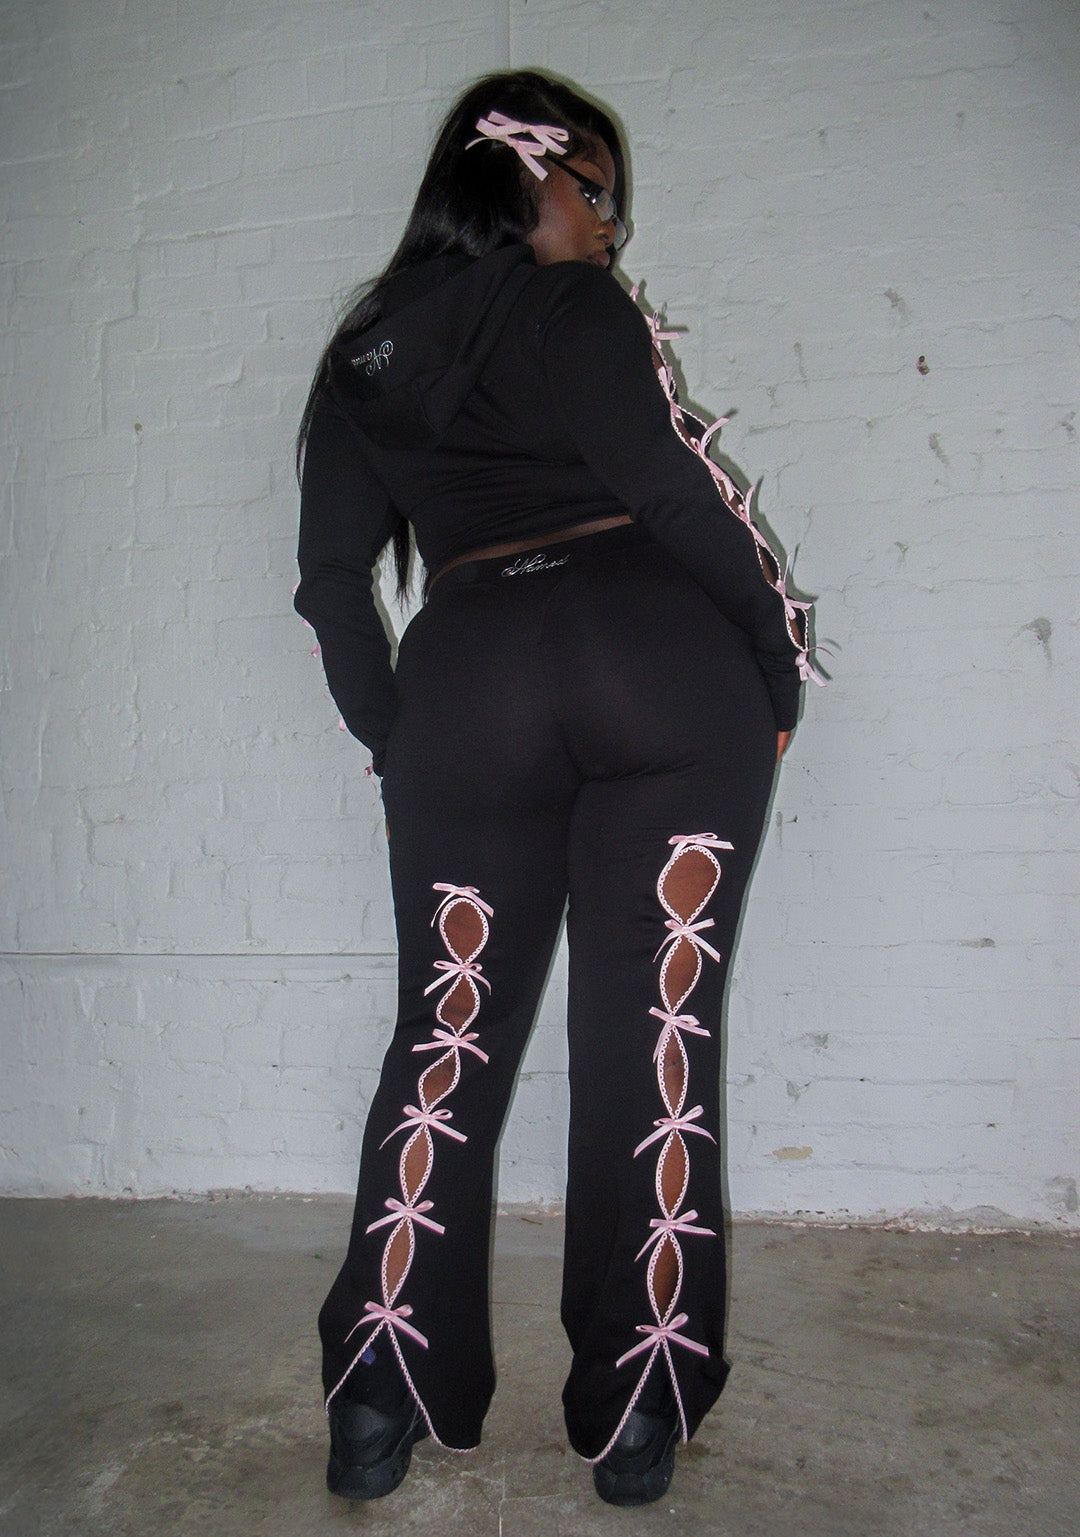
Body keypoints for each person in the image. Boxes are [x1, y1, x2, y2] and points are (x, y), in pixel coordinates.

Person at [293, 69, 816, 1508]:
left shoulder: (363, 356)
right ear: (529, 175)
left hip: (470, 690)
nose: (610, 228)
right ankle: (637, 1404)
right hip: (661, 673)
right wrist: (775, 668)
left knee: (448, 1027)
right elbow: (676, 493)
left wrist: (397, 734)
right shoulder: (575, 309)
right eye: (599, 193)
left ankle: (378, 1392)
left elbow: (332, 582)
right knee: (656, 1033)